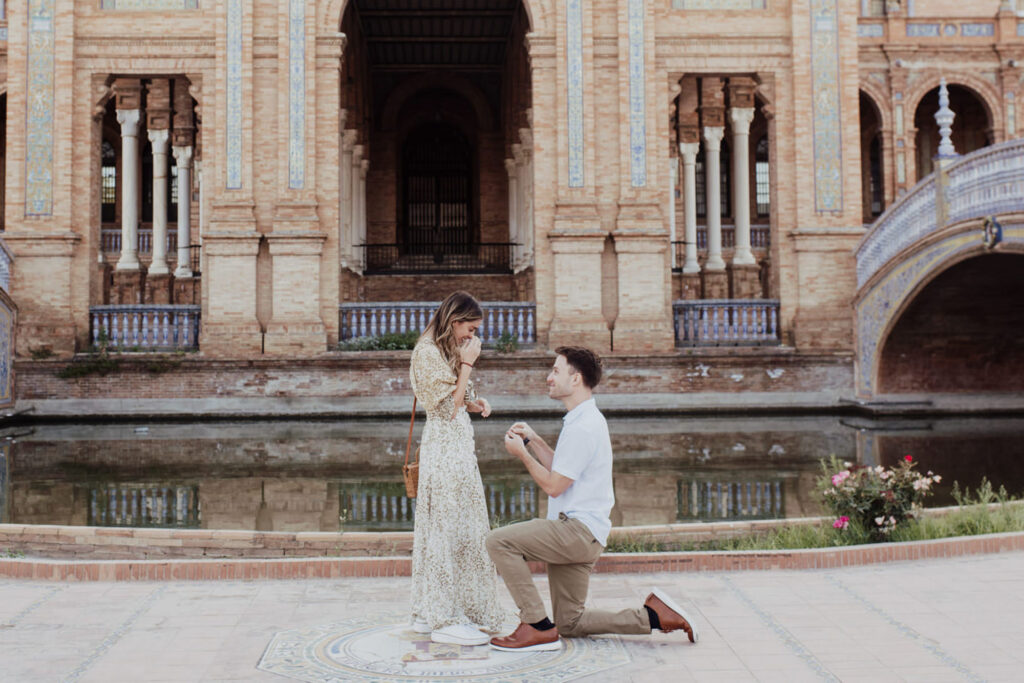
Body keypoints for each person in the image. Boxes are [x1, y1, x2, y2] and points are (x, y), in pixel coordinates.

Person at [485, 346, 700, 651]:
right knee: (570, 622)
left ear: (576, 379)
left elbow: (554, 486)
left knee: (498, 541)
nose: (548, 378)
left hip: (575, 531)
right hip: (586, 535)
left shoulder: (584, 425)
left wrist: (521, 454)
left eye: (556, 371)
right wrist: (534, 441)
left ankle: (535, 624)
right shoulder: (582, 419)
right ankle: (653, 617)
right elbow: (564, 469)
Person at [408, 291, 506, 646]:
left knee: (463, 527)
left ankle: (429, 610)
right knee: (445, 527)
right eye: (469, 328)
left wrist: (475, 402)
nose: (472, 337)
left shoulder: (444, 350)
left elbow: (459, 400)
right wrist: (467, 364)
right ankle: (443, 617)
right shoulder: (426, 352)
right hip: (444, 448)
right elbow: (447, 407)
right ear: (453, 321)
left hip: (458, 445)